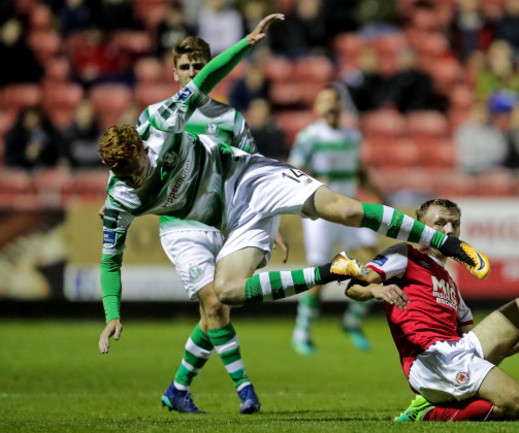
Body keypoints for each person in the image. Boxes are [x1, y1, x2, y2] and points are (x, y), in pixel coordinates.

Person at [97, 14, 489, 365]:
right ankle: (332, 270)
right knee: (228, 291)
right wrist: (112, 313)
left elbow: (204, 80)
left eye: (135, 168)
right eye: (124, 174)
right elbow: (110, 261)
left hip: (249, 178)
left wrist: (246, 44)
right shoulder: (119, 200)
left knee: (348, 211)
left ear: (141, 148)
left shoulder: (163, 123)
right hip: (230, 218)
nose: (133, 178)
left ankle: (450, 244)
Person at [345, 198, 519, 422]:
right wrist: (376, 290)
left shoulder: (450, 286)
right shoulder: (405, 255)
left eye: (454, 224)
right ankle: (430, 412)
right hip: (429, 360)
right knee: (517, 404)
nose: (449, 230)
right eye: (439, 223)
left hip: (456, 351)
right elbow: (353, 287)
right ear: (421, 229)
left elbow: (484, 354)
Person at [136, 36, 271, 415]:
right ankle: (245, 389)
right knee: (215, 300)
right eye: (186, 67)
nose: (193, 73)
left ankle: (177, 389)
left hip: (222, 224)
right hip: (179, 224)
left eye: (199, 66)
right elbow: (132, 165)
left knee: (210, 313)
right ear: (174, 72)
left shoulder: (231, 120)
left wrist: (268, 225)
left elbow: (253, 175)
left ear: (210, 69)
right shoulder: (157, 116)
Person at [288, 85, 385, 355]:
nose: (331, 106)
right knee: (320, 273)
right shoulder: (309, 136)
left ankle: (352, 321)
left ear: (341, 106)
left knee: (376, 265)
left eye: (335, 101)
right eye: (326, 102)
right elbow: (294, 171)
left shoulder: (352, 136)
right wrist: (313, 185)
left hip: (350, 211)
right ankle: (302, 331)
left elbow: (359, 171)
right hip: (321, 214)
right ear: (317, 108)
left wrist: (380, 196)